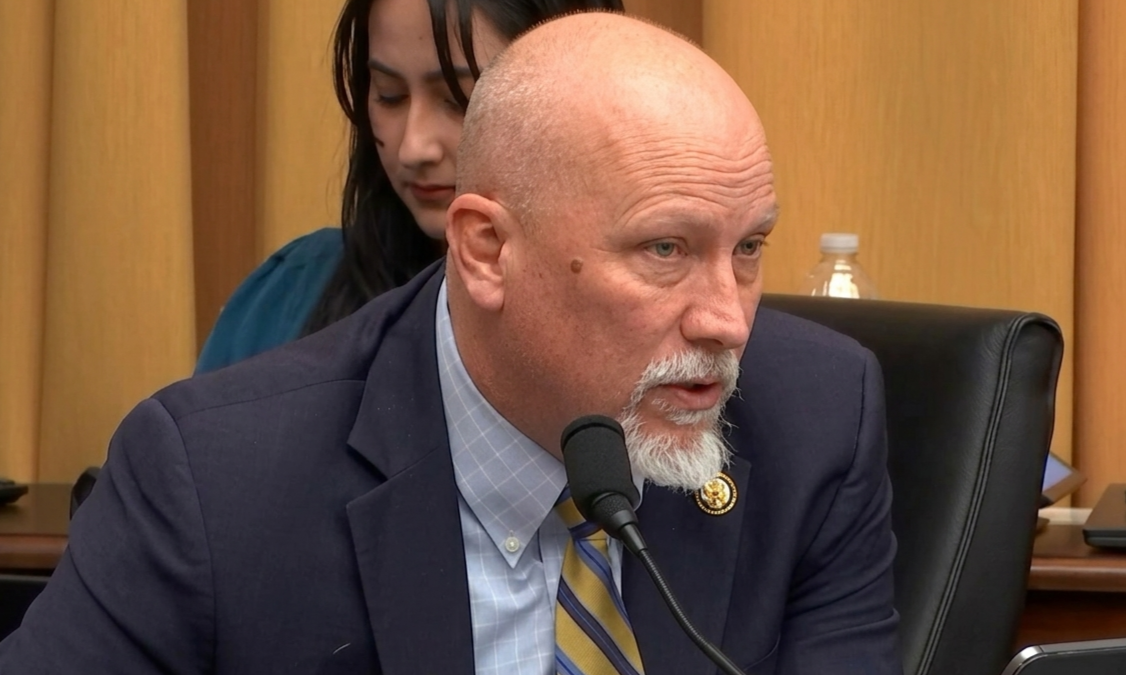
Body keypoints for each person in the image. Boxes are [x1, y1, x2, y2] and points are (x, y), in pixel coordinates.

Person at [0, 11, 901, 675]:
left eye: (746, 249)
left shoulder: (814, 421)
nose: (728, 320)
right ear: (486, 249)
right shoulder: (214, 480)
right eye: (664, 249)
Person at [194, 0, 623, 374]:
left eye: (458, 99)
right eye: (389, 95)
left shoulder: (654, 313)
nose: (413, 147)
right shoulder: (289, 297)